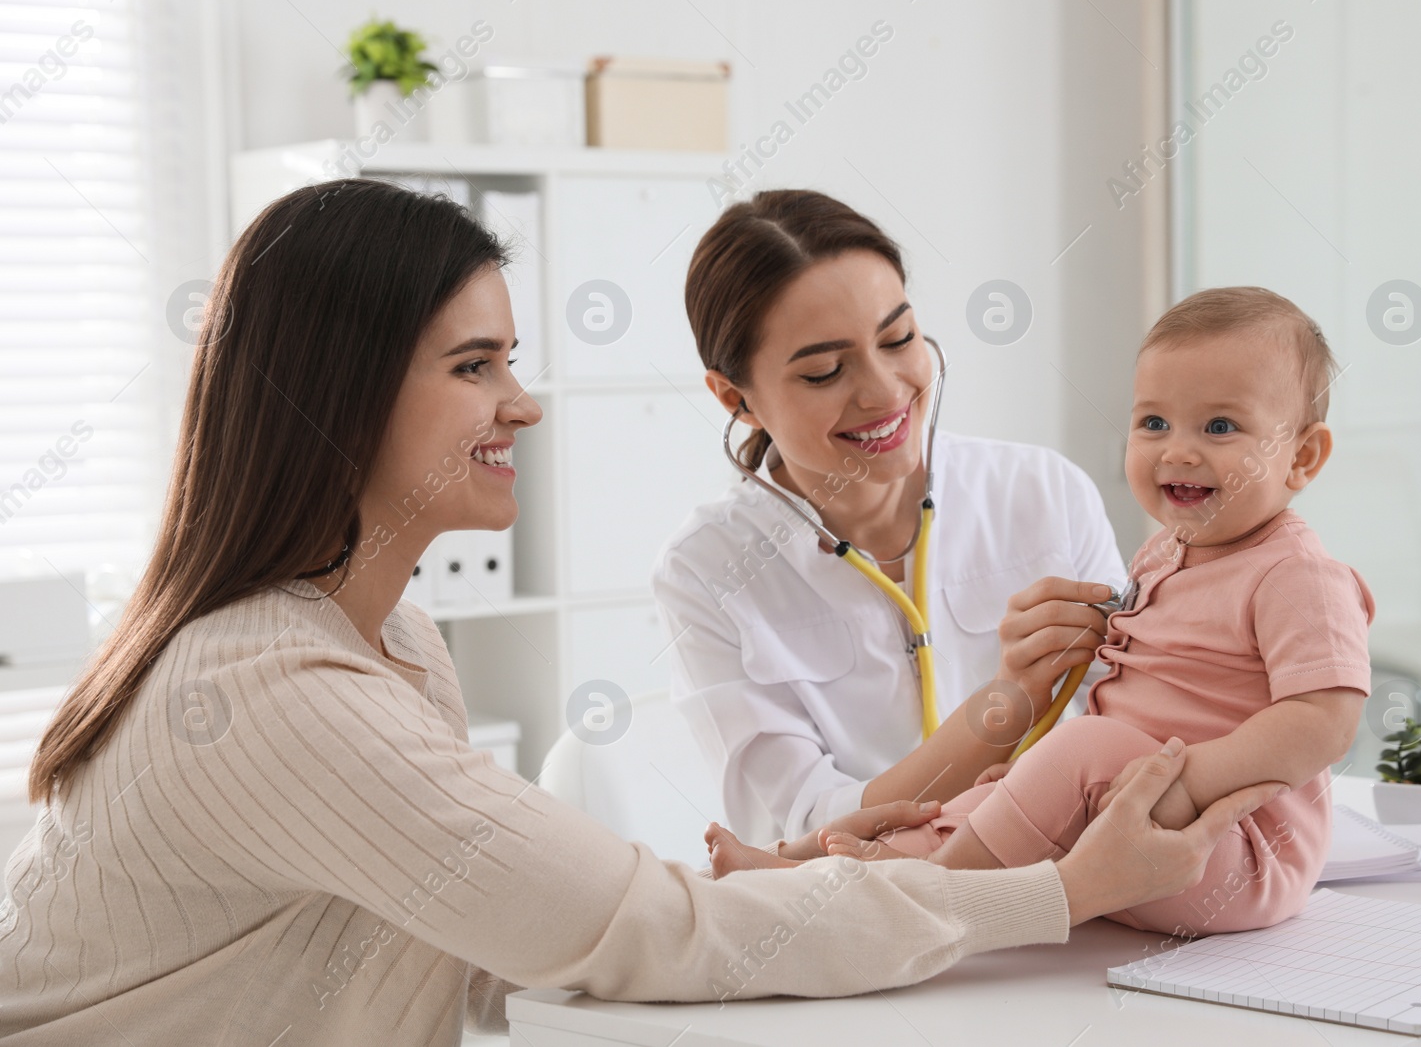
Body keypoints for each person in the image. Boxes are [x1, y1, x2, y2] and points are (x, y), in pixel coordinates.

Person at [0, 180, 1287, 1044]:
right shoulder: (274, 694)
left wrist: (818, 871)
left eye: (510, 359)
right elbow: (631, 928)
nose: (525, 402)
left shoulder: (389, 639)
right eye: (474, 366)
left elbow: (538, 908)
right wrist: (1053, 889)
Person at [709, 288, 1376, 940]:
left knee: (1079, 749)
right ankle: (805, 875)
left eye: (1220, 427)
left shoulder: (1297, 575)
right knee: (984, 796)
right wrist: (1043, 768)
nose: (1177, 450)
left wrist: (1180, 784)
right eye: (1153, 422)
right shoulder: (1163, 554)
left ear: (1303, 456)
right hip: (1125, 831)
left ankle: (930, 902)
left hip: (1233, 848)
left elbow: (1324, 721)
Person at [652, 189, 1127, 847]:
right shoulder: (706, 570)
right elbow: (810, 828)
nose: (884, 391)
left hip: (1077, 892)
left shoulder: (1042, 492)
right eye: (824, 372)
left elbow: (1142, 716)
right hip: (864, 921)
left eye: (898, 338)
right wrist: (1005, 703)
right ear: (736, 398)